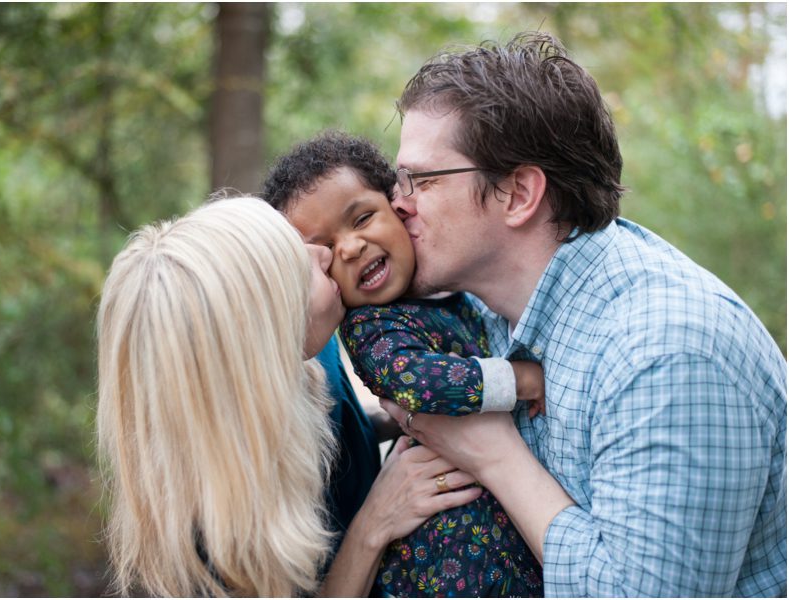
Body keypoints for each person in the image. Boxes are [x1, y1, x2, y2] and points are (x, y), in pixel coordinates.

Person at [378, 31, 787, 597]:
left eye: (420, 180)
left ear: (519, 194)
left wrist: (495, 455)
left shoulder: (667, 351)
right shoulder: (488, 309)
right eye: (399, 179)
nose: (397, 202)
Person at [95, 196, 484, 597]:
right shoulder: (215, 531)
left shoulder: (318, 353)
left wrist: (404, 416)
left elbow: (337, 433)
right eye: (294, 266)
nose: (323, 254)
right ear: (266, 332)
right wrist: (376, 523)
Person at [261, 131, 545, 597]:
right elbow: (420, 384)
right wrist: (522, 380)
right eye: (327, 252)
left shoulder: (450, 287)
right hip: (444, 555)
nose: (350, 248)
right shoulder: (371, 328)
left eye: (363, 218)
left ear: (399, 204)